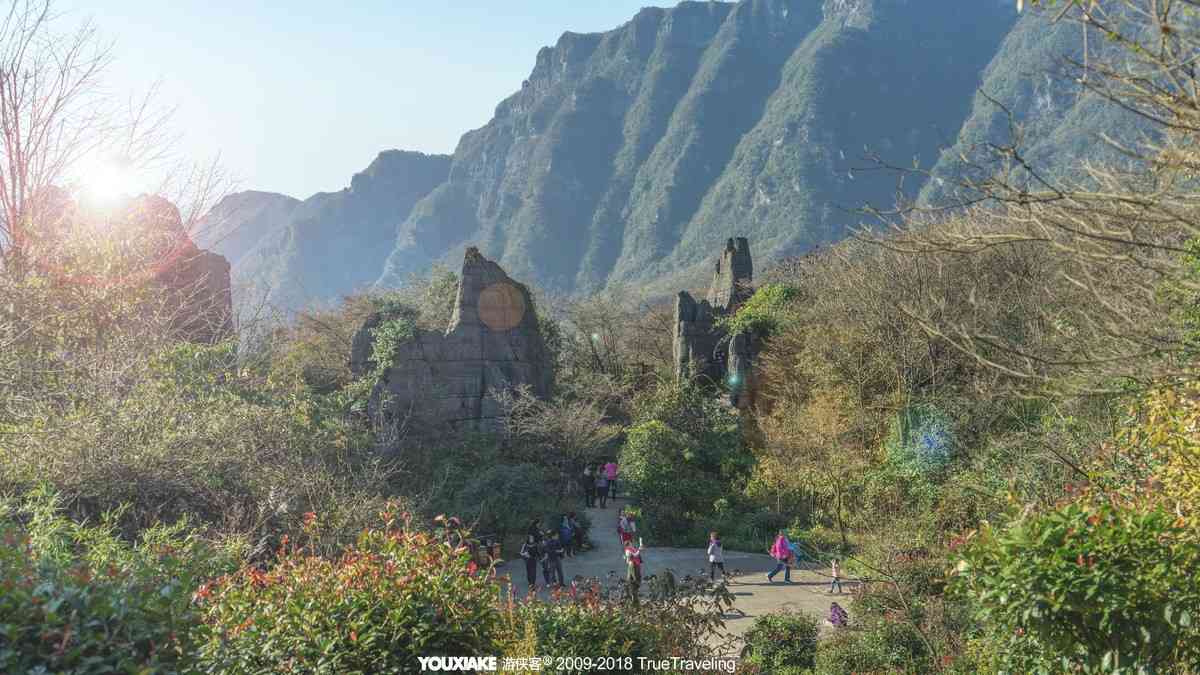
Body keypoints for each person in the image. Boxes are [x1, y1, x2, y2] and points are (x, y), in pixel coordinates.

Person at [624, 539, 643, 606]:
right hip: (632, 566)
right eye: (630, 543)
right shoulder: (628, 550)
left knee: (637, 580)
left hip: (636, 565)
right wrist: (639, 549)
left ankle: (635, 598)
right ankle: (634, 600)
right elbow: (634, 555)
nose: (632, 544)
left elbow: (637, 555)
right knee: (634, 581)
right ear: (628, 544)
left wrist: (640, 549)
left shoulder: (632, 548)